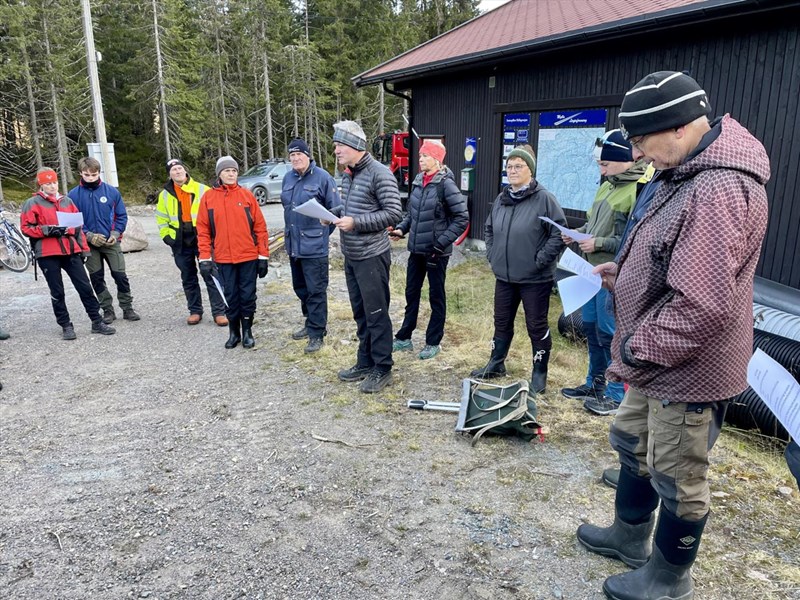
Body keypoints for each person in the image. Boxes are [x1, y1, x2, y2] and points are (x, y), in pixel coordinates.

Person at [577, 71, 769, 600]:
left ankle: (668, 578)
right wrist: (627, 272)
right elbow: (674, 261)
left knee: (679, 475)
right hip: (657, 357)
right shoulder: (683, 171)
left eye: (642, 141)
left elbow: (700, 303)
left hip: (685, 366)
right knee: (633, 442)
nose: (637, 154)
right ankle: (628, 537)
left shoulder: (717, 187)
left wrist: (637, 348)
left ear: (682, 127)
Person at [560, 130, 646, 416]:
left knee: (611, 333)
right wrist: (577, 234)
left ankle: (614, 394)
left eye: (605, 164)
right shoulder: (607, 185)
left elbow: (631, 239)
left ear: (624, 160)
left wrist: (598, 242)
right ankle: (594, 383)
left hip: (613, 277)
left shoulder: (637, 190)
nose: (601, 169)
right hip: (590, 272)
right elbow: (591, 224)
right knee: (591, 328)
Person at [470, 145, 566, 394]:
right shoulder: (503, 199)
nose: (512, 170)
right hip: (504, 275)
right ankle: (496, 363)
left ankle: (539, 371)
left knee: (536, 325)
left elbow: (559, 233)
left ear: (530, 170)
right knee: (501, 322)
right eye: (509, 166)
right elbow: (489, 229)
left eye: (518, 166)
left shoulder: (544, 198)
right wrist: (492, 254)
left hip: (535, 278)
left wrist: (540, 260)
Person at [330, 120, 402, 393]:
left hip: (372, 255)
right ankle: (365, 361)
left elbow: (394, 213)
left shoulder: (379, 173)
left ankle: (382, 368)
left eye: (339, 145)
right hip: (352, 255)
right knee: (360, 312)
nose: (336, 150)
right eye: (335, 145)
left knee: (376, 312)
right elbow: (350, 207)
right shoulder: (348, 174)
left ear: (355, 145)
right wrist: (334, 216)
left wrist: (356, 223)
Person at [389, 139, 468, 360]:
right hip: (416, 250)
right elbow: (411, 215)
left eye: (424, 155)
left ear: (436, 159)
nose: (420, 159)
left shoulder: (446, 185)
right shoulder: (418, 182)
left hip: (436, 252)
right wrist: (401, 230)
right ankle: (404, 338)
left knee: (436, 297)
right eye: (421, 155)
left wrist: (441, 242)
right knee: (411, 293)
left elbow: (462, 218)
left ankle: (433, 342)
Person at [21, 168, 116, 339]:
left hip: (71, 251)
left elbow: (78, 228)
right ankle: (66, 325)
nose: (52, 186)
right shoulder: (32, 203)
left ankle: (96, 321)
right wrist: (46, 230)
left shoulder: (67, 201)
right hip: (48, 253)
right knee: (57, 291)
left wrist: (84, 249)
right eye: (48, 183)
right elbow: (26, 228)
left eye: (54, 182)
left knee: (85, 287)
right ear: (41, 185)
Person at [196, 156, 269, 349]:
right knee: (230, 295)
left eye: (234, 171)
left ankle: (247, 331)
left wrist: (263, 256)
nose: (231, 174)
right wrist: (205, 258)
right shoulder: (209, 198)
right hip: (223, 258)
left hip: (248, 256)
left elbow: (260, 228)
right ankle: (233, 332)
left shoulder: (246, 196)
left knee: (247, 295)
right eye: (227, 171)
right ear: (219, 174)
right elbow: (203, 231)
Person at [281, 138, 341, 353]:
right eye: (292, 156)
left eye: (299, 154)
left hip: (314, 247)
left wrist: (320, 235)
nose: (296, 158)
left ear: (308, 155)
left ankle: (317, 332)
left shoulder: (323, 177)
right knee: (301, 288)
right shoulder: (288, 178)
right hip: (294, 245)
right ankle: (309, 323)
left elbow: (335, 212)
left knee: (316, 290)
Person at [156, 158, 228, 326]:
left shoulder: (203, 189)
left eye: (180, 168)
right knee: (188, 277)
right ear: (170, 174)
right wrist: (167, 237)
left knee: (210, 273)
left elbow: (216, 214)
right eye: (174, 170)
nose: (178, 172)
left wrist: (215, 236)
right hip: (180, 240)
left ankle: (219, 312)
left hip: (202, 237)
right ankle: (195, 311)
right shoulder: (165, 194)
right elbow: (161, 218)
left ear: (186, 170)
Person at [68, 157, 140, 323]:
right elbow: (72, 222)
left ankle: (127, 307)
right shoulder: (73, 196)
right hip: (89, 244)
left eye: (94, 174)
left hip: (110, 242)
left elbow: (121, 216)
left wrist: (115, 234)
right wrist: (88, 235)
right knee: (97, 278)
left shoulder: (112, 192)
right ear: (80, 173)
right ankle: (107, 309)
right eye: (87, 175)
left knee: (120, 275)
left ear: (98, 173)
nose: (91, 178)